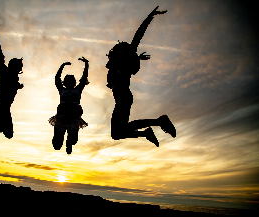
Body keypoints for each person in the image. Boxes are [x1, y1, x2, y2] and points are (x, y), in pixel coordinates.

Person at [106, 6, 176, 147]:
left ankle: (159, 122)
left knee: (118, 132)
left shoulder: (124, 60)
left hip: (124, 97)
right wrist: (137, 57)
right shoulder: (118, 63)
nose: (114, 50)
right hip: (122, 98)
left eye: (118, 49)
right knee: (116, 134)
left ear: (123, 52)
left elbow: (138, 35)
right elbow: (125, 61)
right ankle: (148, 132)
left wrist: (150, 16)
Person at [49, 57, 90, 154]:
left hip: (73, 116)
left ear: (74, 82)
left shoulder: (78, 90)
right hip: (62, 116)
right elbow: (57, 78)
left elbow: (84, 78)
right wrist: (62, 66)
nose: (70, 82)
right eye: (68, 80)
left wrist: (86, 65)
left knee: (73, 140)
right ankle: (60, 143)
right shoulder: (62, 90)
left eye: (72, 80)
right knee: (57, 145)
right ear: (65, 82)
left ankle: (69, 143)